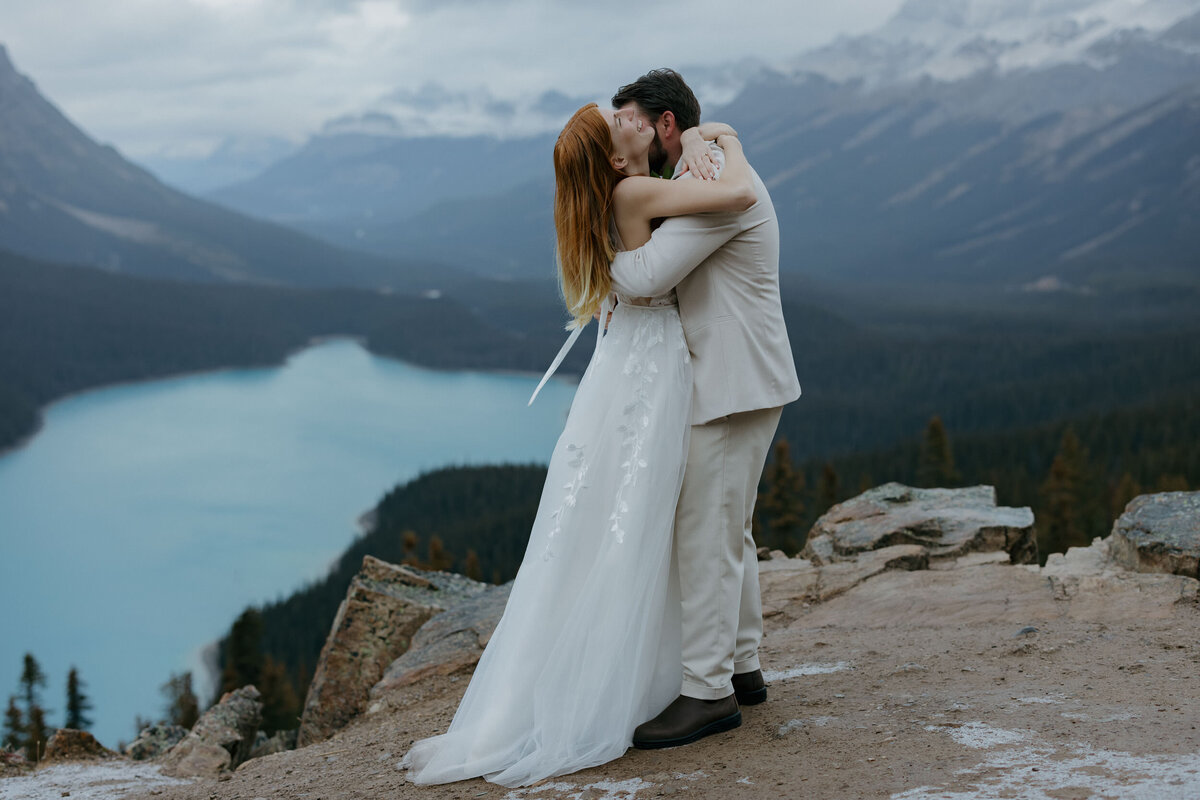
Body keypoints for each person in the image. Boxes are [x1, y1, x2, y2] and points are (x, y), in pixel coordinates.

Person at [399, 101, 758, 788]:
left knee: (603, 511)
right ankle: (659, 675)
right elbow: (735, 195)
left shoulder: (598, 201)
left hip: (621, 364)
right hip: (654, 367)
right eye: (615, 121)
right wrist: (722, 135)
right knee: (651, 509)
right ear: (613, 158)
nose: (629, 117)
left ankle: (622, 667)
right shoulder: (633, 190)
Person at [607, 69, 802, 750]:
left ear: (665, 125)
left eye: (629, 118)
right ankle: (741, 667)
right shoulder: (704, 163)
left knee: (706, 536)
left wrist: (605, 231)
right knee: (729, 528)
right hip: (740, 379)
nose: (620, 129)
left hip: (730, 384)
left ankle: (707, 693)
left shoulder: (705, 175)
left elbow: (643, 277)